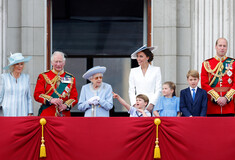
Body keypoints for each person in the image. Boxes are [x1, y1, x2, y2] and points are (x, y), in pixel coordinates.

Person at [34, 51, 78, 117]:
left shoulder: (70, 78)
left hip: (64, 115)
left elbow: (74, 97)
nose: (58, 64)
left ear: (64, 63)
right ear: (51, 62)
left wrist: (65, 105)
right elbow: (37, 95)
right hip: (47, 115)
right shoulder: (43, 76)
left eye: (60, 62)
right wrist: (51, 100)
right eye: (56, 62)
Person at [201, 38, 235, 116]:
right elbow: (204, 84)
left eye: (224, 46)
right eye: (220, 45)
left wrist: (226, 98)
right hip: (212, 108)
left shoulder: (233, 63)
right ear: (216, 47)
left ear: (227, 48)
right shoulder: (207, 64)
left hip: (229, 107)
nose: (222, 48)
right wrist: (217, 98)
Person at [129, 45, 162, 113]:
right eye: (137, 56)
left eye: (141, 56)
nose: (138, 59)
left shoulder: (156, 70)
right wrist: (135, 104)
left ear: (147, 57)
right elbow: (131, 90)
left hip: (152, 105)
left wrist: (152, 104)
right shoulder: (133, 71)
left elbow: (158, 89)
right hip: (137, 104)